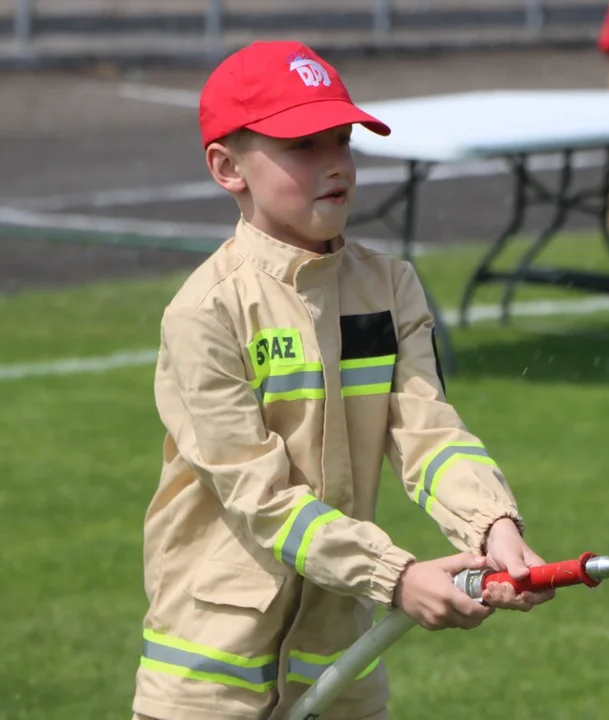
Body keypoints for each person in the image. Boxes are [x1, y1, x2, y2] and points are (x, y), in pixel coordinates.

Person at [133, 40, 555, 720]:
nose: (336, 164)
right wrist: (396, 577)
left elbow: (429, 434)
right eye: (302, 145)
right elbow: (260, 498)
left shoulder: (388, 286)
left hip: (341, 664)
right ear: (225, 167)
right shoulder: (205, 311)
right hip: (209, 684)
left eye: (343, 139)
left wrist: (493, 528)